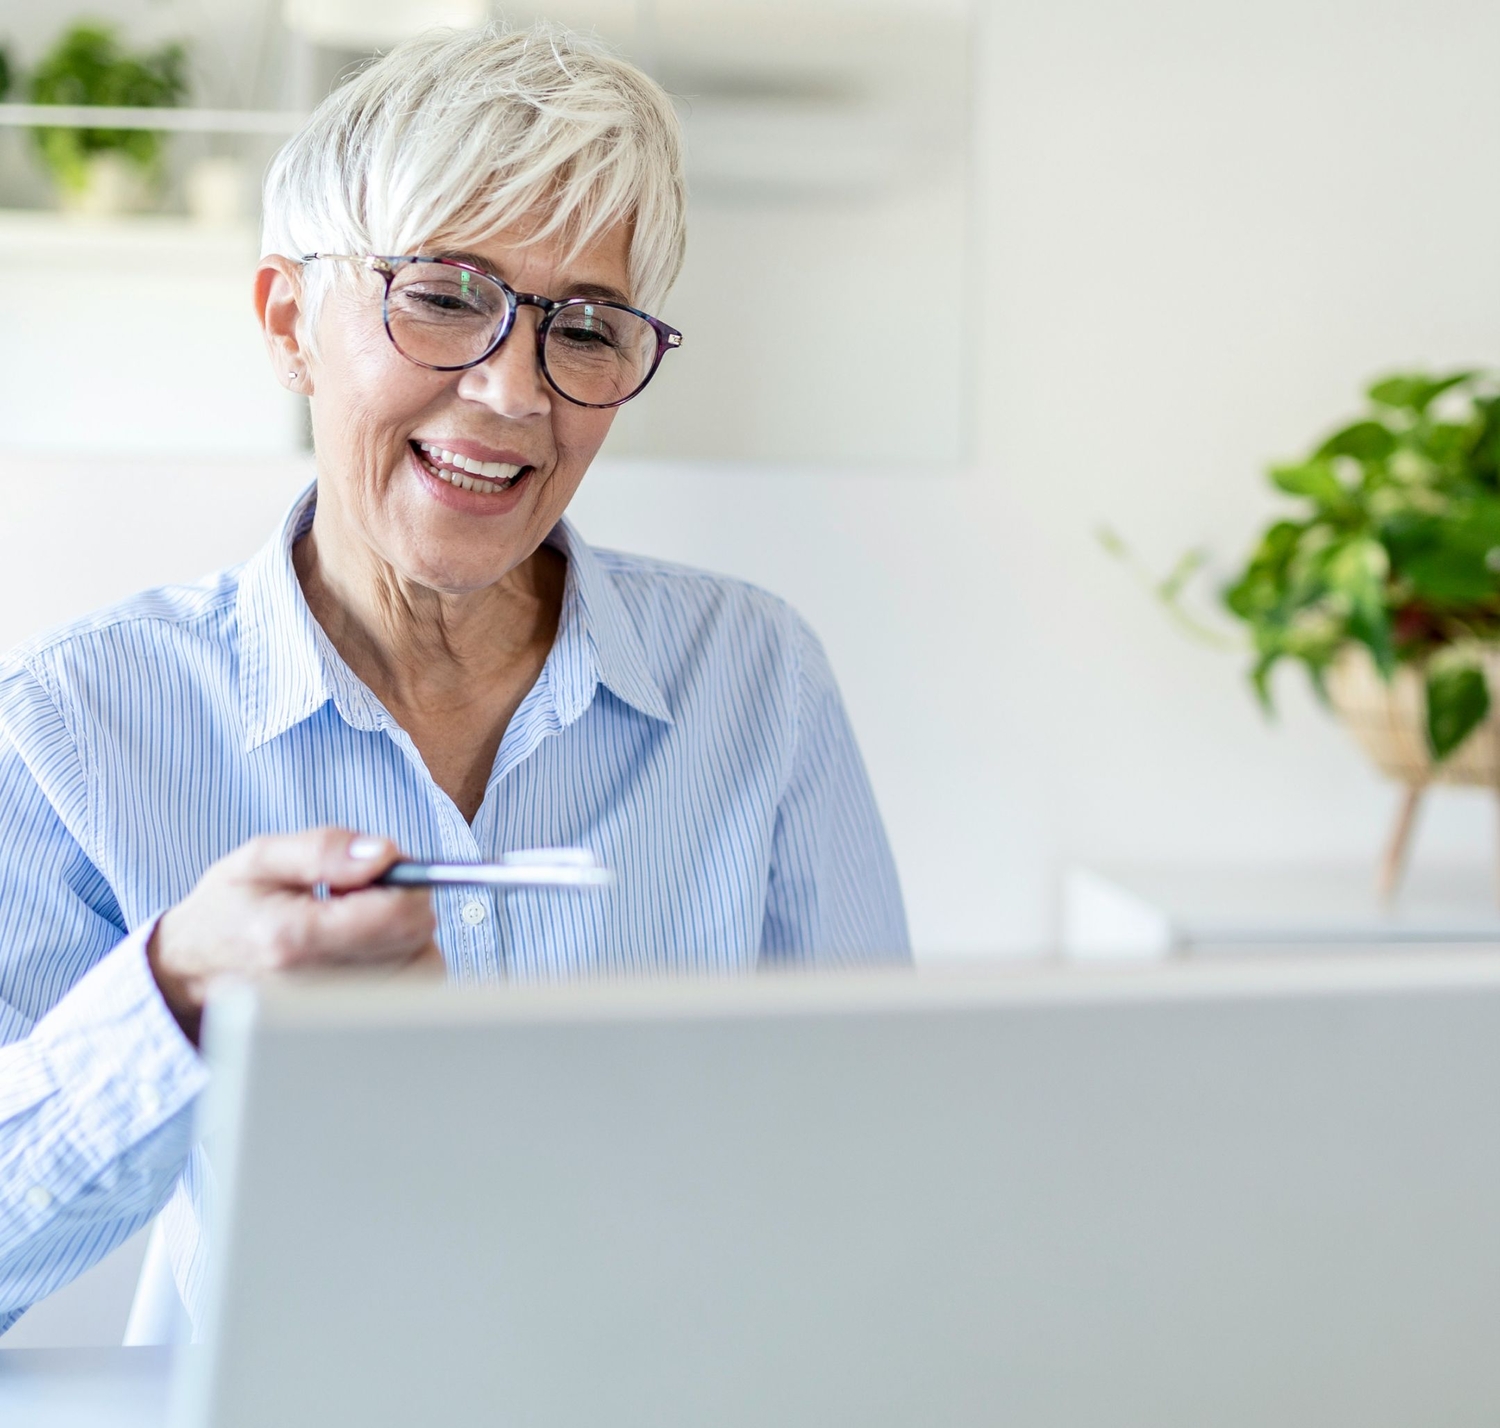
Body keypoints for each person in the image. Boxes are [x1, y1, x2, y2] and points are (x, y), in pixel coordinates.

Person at [0, 23, 907, 1339]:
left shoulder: (755, 683)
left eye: (585, 327)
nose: (509, 392)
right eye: (440, 293)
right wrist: (178, 994)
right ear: (288, 322)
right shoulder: (79, 723)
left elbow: (878, 1163)